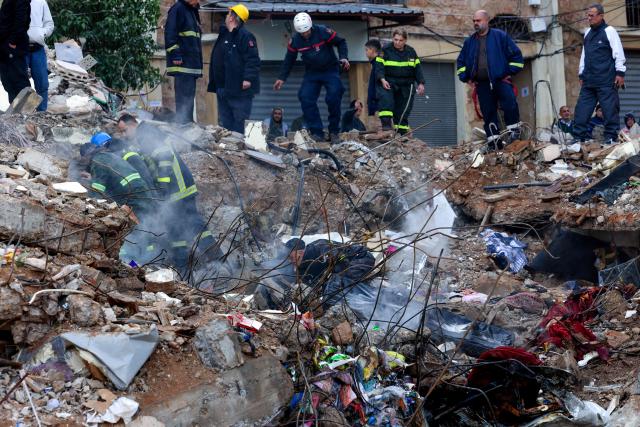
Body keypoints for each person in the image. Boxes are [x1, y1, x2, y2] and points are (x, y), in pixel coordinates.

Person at [117, 114, 222, 273]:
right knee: (177, 229)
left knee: (193, 225)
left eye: (125, 131)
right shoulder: (142, 137)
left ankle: (217, 260)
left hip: (178, 188)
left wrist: (163, 184)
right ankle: (185, 270)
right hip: (174, 191)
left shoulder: (146, 133)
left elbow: (164, 155)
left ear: (132, 124)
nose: (125, 135)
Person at [273, 13, 349, 144]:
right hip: (312, 73)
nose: (305, 34)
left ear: (311, 26)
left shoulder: (323, 31)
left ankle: (334, 132)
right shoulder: (295, 40)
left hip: (330, 69)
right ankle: (317, 132)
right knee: (305, 97)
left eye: (307, 31)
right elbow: (289, 59)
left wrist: (343, 57)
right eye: (302, 32)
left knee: (334, 96)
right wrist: (281, 78)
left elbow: (341, 42)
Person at [456, 10, 524, 145]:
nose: (476, 23)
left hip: (501, 81)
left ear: (486, 21)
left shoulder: (500, 37)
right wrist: (466, 77)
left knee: (510, 106)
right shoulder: (469, 42)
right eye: (474, 21)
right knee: (488, 113)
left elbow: (517, 57)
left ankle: (514, 136)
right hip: (482, 84)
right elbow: (461, 62)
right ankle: (494, 143)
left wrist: (507, 71)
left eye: (478, 20)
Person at [573, 3, 626, 144]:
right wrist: (581, 74)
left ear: (601, 16)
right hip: (589, 81)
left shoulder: (610, 31)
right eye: (588, 15)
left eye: (592, 15)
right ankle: (578, 138)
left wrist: (620, 73)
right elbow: (584, 55)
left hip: (606, 80)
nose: (589, 18)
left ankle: (610, 138)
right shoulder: (588, 34)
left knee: (610, 111)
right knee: (581, 110)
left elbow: (618, 54)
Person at [207, 4, 260, 134]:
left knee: (239, 121)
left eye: (228, 14)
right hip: (222, 88)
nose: (226, 16)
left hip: (238, 89)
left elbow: (253, 59)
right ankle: (229, 150)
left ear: (232, 17)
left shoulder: (245, 36)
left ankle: (238, 149)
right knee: (226, 122)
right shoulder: (224, 35)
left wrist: (248, 78)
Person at [284, 238, 375, 309]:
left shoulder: (319, 247)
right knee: (330, 289)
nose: (290, 261)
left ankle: (370, 302)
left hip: (361, 258)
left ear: (299, 252)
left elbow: (340, 259)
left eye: (291, 257)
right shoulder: (303, 268)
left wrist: (334, 259)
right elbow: (308, 287)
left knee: (333, 287)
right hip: (344, 271)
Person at [376, 30, 425, 134]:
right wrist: (382, 79)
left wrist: (421, 83)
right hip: (389, 82)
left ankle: (401, 132)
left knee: (403, 110)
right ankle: (386, 128)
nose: (397, 42)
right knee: (386, 102)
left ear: (405, 40)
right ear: (393, 38)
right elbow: (379, 67)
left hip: (406, 85)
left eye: (400, 40)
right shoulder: (385, 50)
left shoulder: (411, 52)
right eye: (395, 40)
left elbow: (418, 69)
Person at [164, 0, 203, 124]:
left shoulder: (192, 11)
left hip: (190, 66)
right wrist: (175, 55)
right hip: (183, 66)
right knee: (184, 100)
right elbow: (170, 33)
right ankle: (183, 126)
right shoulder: (178, 9)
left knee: (188, 100)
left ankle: (187, 124)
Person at [0, 0, 31, 104]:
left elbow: (22, 19)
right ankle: (15, 115)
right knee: (8, 82)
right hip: (4, 45)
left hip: (13, 46)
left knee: (19, 82)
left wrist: (13, 41)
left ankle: (26, 113)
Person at [27, 0, 53, 112]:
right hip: (19, 49)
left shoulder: (41, 2)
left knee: (42, 82)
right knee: (20, 83)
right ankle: (22, 114)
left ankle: (41, 113)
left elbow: (49, 23)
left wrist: (42, 33)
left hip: (37, 48)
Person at [365, 39, 382, 119]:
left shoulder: (378, 65)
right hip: (375, 108)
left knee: (379, 130)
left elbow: (378, 87)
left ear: (372, 50)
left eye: (367, 50)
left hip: (378, 108)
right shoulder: (374, 64)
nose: (365, 52)